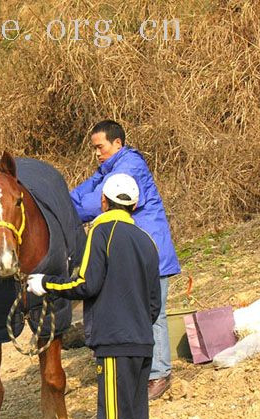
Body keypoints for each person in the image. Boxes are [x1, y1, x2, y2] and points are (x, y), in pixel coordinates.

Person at [27, 174, 161, 419]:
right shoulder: (146, 240)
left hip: (115, 346)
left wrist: (45, 285)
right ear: (133, 206)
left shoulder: (102, 233)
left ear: (104, 203)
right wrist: (136, 327)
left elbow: (85, 282)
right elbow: (154, 304)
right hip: (141, 345)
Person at [70, 120, 180, 400]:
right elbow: (78, 195)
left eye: (100, 147)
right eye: (94, 148)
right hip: (131, 252)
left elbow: (97, 202)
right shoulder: (109, 168)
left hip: (150, 250)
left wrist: (69, 212)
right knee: (137, 311)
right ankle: (146, 370)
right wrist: (62, 204)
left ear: (116, 144)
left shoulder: (129, 167)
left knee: (154, 313)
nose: (96, 153)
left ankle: (159, 374)